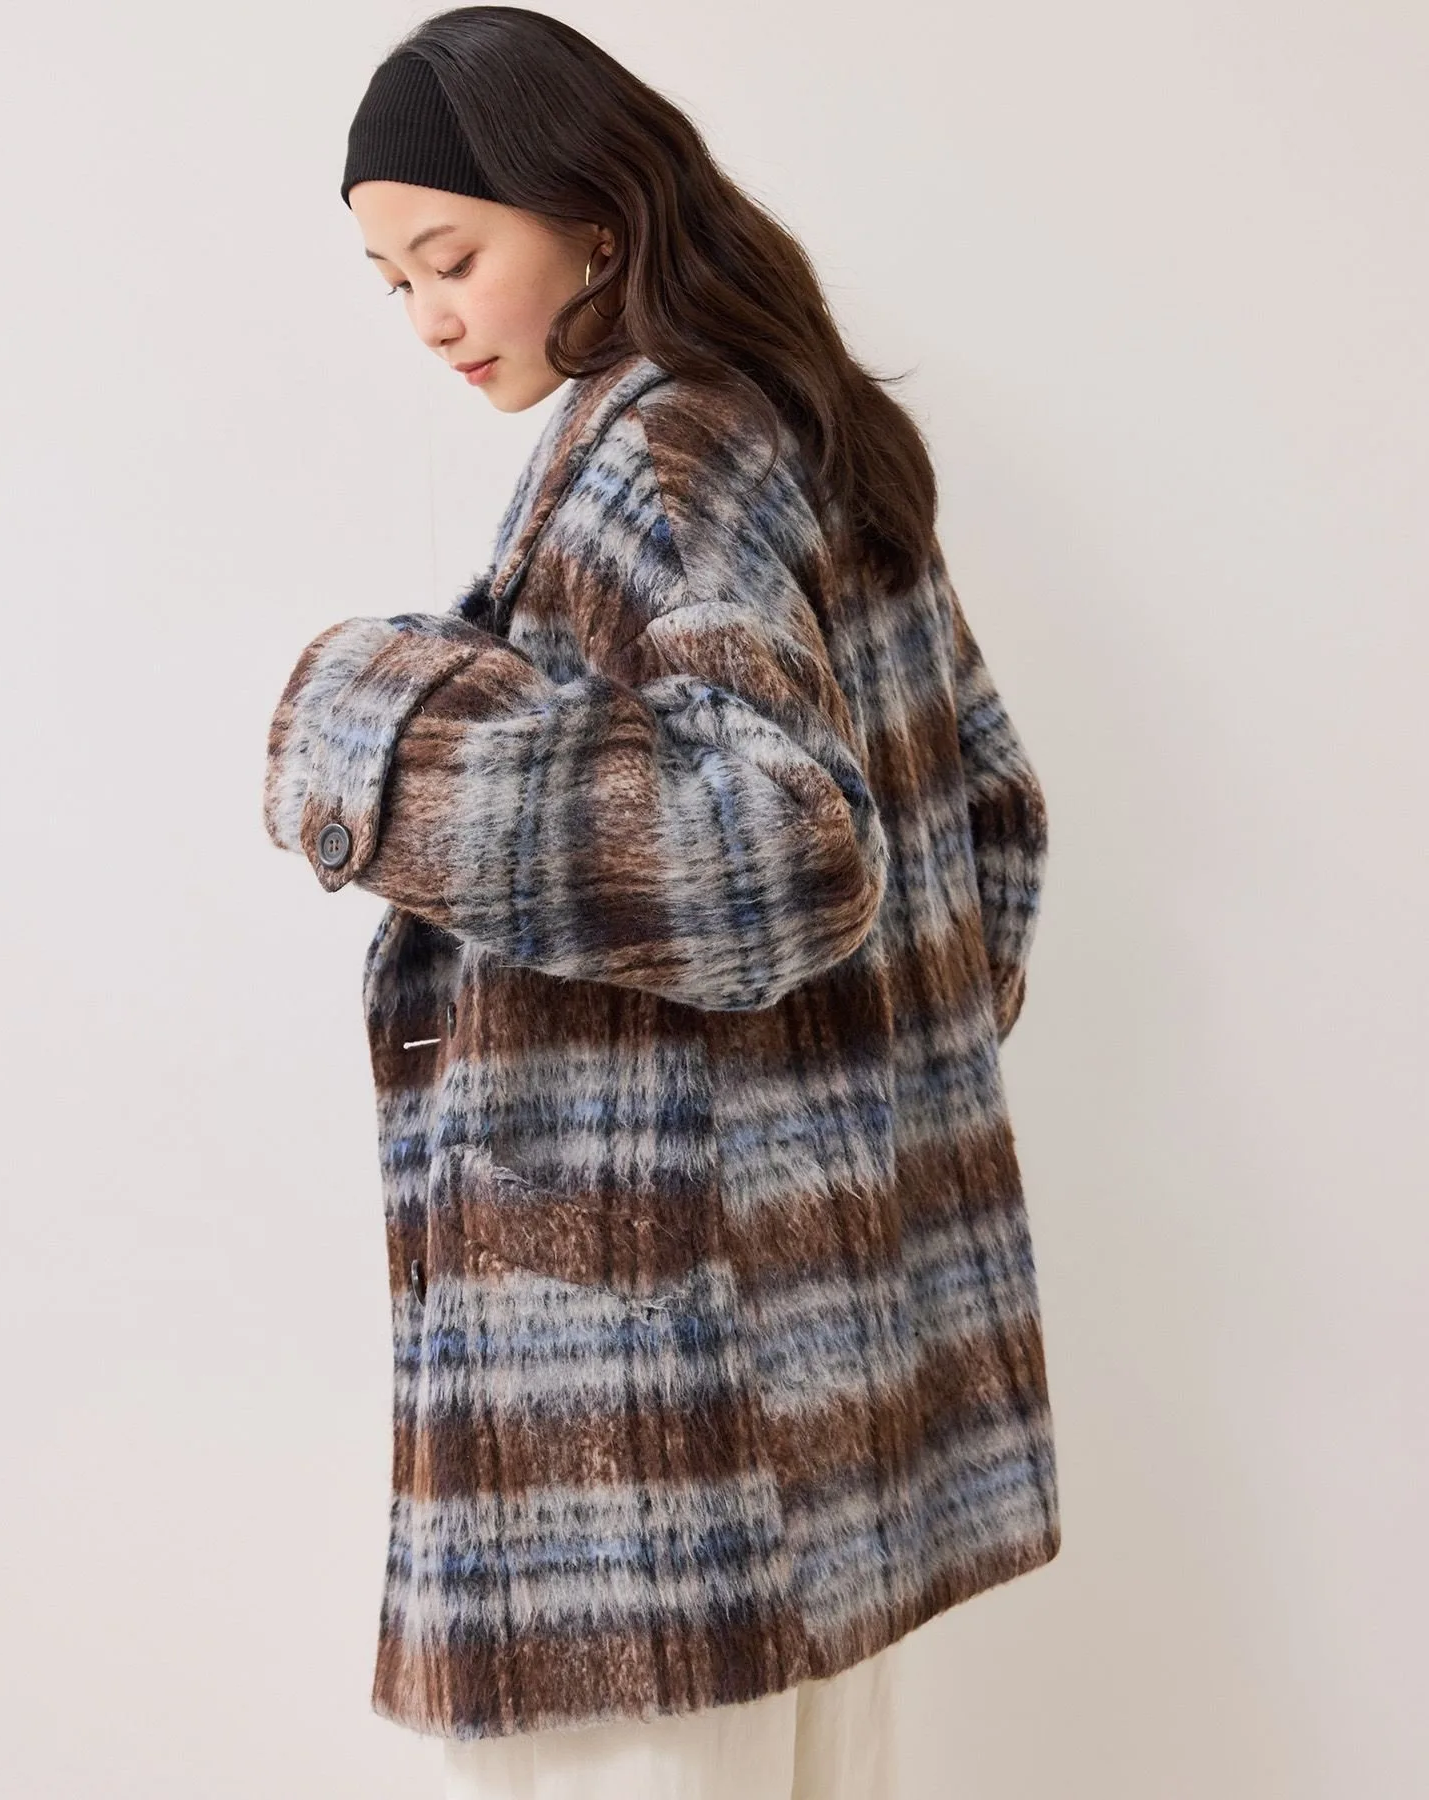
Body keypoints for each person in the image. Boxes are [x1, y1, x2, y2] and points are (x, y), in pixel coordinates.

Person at [261, 7, 1060, 1795]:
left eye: (452, 257)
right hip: (815, 1370)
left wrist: (378, 727)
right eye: (392, 284)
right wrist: (830, 1142)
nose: (429, 319)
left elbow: (776, 846)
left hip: (653, 1400)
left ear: (596, 216)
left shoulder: (664, 454)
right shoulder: (791, 429)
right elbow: (989, 823)